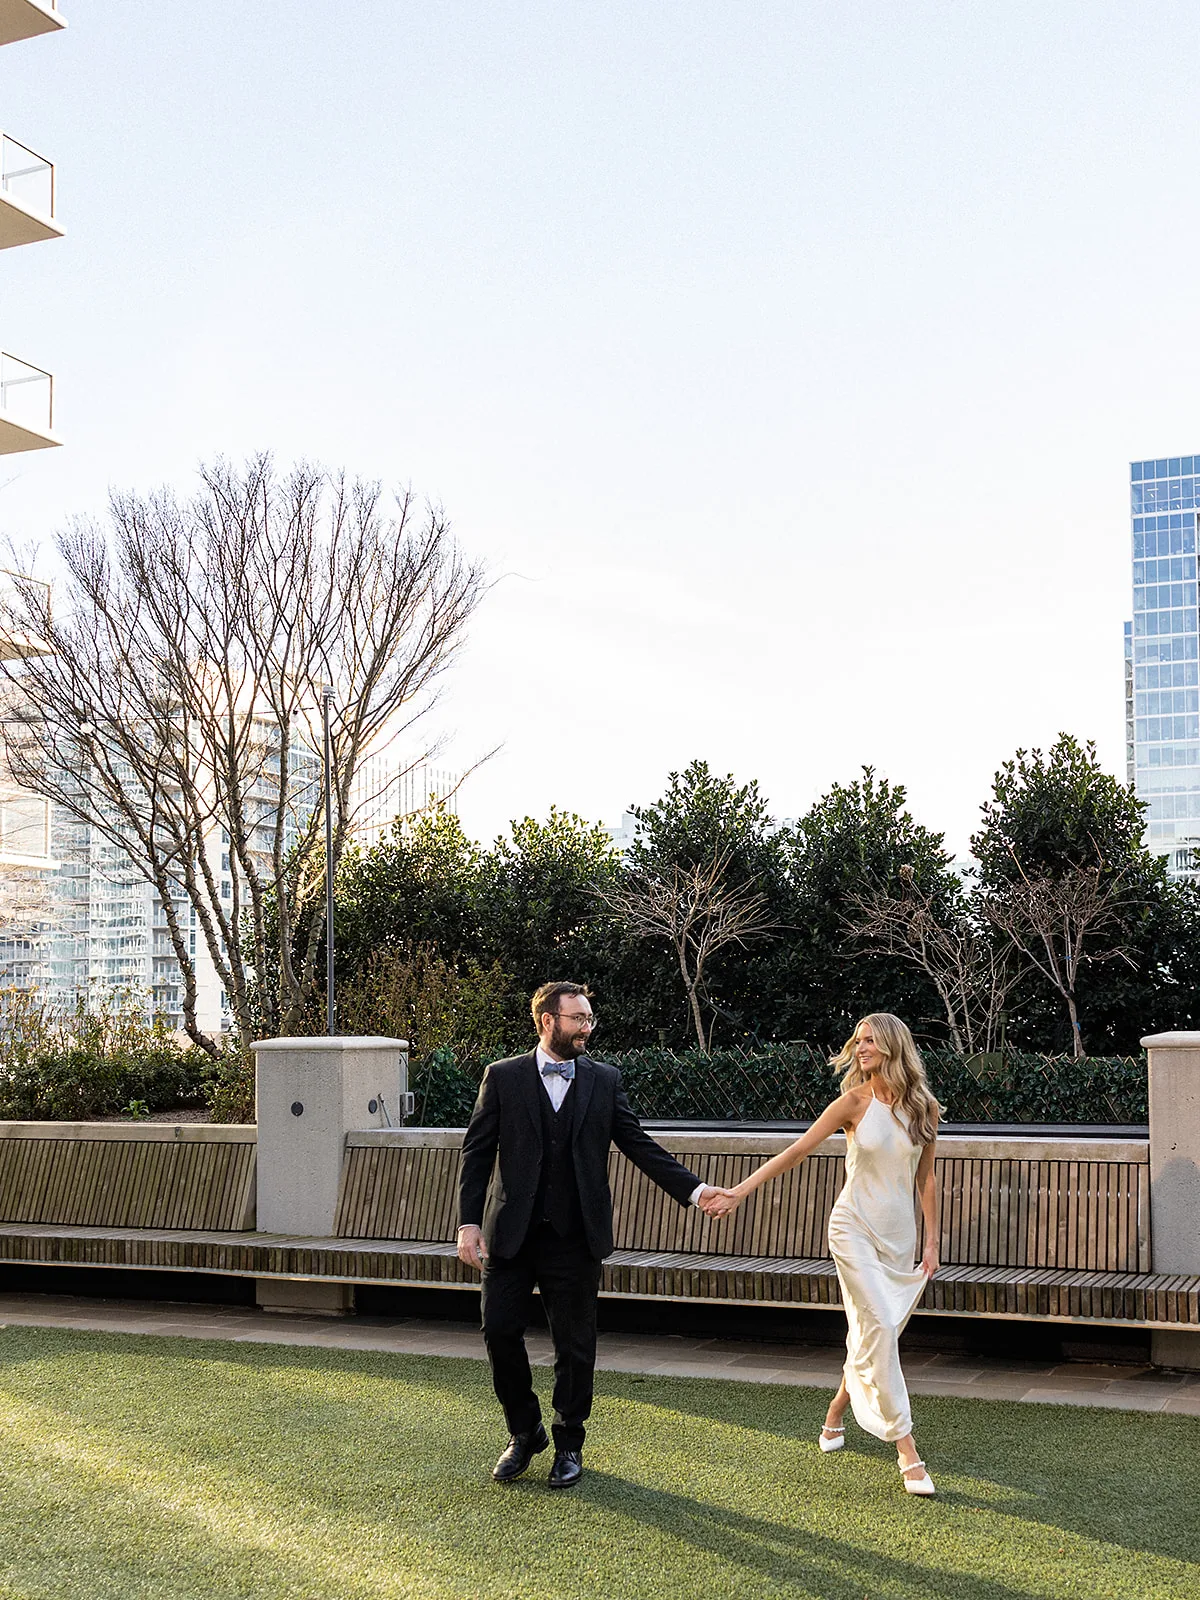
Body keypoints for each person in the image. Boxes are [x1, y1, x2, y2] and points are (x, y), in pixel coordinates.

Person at [457, 981, 718, 1489]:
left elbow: (639, 1145)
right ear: (547, 1021)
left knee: (575, 1346)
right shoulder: (503, 1077)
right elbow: (476, 1153)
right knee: (498, 1332)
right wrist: (468, 1223)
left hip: (577, 1236)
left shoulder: (604, 1080)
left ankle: (569, 1442)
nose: (587, 1028)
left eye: (589, 1018)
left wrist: (695, 1191)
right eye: (578, 1018)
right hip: (510, 1234)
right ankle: (524, 1431)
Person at [702, 1012, 941, 1495]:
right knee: (878, 1325)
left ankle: (835, 1414)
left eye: (870, 1040)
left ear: (893, 1046)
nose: (861, 1047)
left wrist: (933, 1241)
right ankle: (907, 1451)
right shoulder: (852, 1103)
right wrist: (739, 1191)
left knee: (873, 1333)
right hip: (852, 1227)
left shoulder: (924, 1109)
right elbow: (795, 1151)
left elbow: (926, 1178)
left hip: (901, 1241)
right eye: (858, 1040)